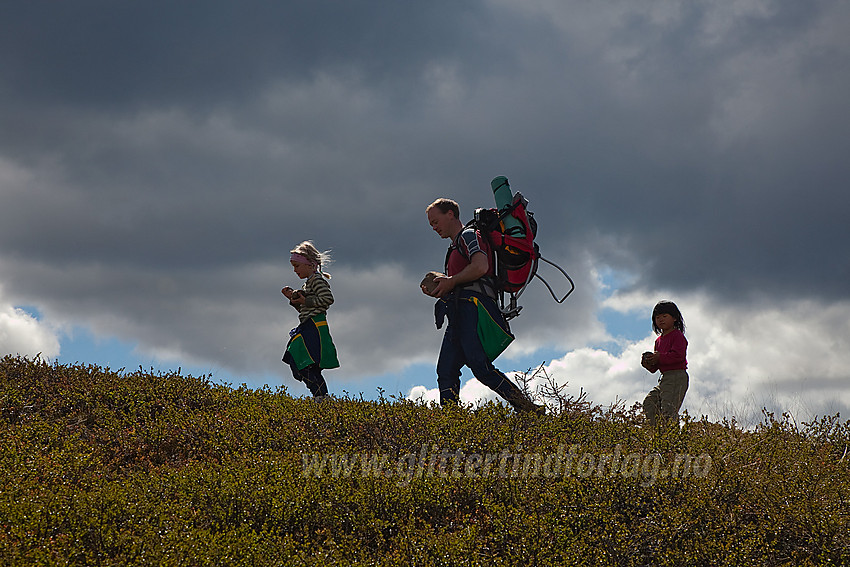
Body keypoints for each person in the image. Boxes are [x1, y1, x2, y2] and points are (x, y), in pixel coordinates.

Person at [423, 198, 544, 414]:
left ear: (450, 214)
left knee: (479, 367)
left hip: (472, 309)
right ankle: (449, 423)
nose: (433, 227)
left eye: (435, 221)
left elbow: (481, 266)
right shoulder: (455, 246)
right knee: (447, 369)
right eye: (431, 224)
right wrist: (445, 285)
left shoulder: (469, 235)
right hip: (460, 312)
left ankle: (528, 409)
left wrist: (451, 281)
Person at [281, 241, 339, 399]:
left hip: (315, 326)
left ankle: (321, 396)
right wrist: (294, 300)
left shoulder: (317, 281)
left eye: (297, 266)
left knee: (304, 360)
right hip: (309, 324)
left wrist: (304, 301)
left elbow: (327, 299)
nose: (295, 270)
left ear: (310, 265)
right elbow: (305, 309)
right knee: (302, 359)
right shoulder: (308, 284)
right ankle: (319, 395)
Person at [641, 300, 689, 426]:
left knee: (669, 410)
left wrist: (659, 357)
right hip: (665, 378)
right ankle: (657, 434)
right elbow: (655, 367)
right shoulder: (658, 341)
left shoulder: (677, 336)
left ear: (674, 318)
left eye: (664, 316)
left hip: (676, 377)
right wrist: (649, 363)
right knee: (650, 403)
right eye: (657, 317)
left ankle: (670, 441)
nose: (661, 320)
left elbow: (678, 356)